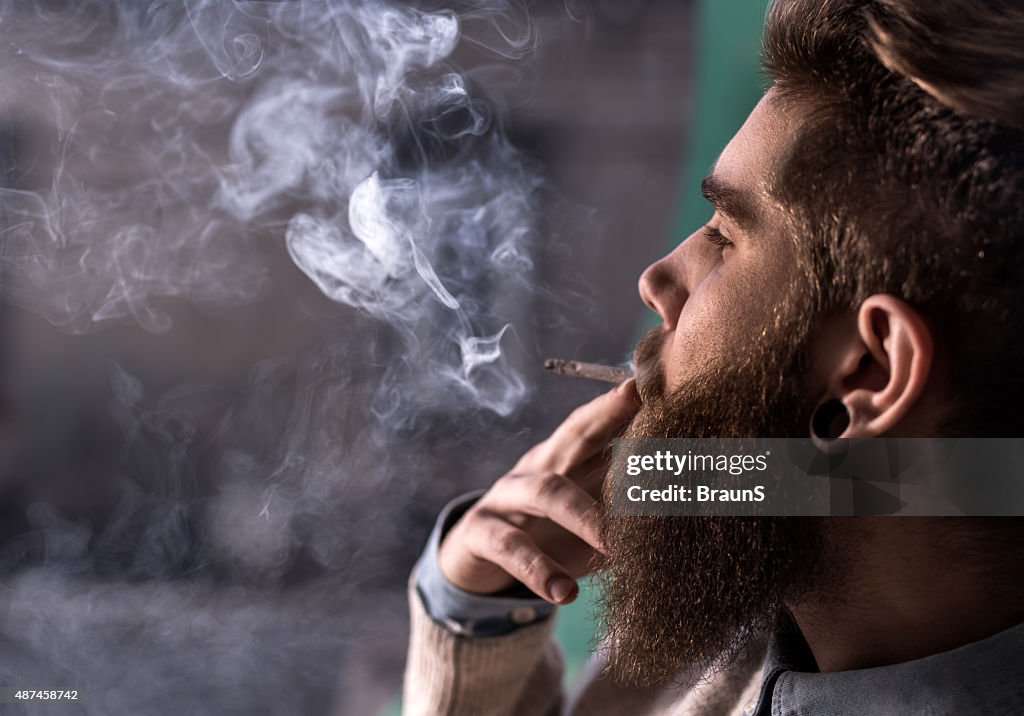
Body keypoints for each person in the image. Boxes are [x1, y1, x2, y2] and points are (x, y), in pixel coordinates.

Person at [402, 0, 1024, 713]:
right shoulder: (717, 649)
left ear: (870, 371)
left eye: (725, 236)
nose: (658, 280)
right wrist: (478, 614)